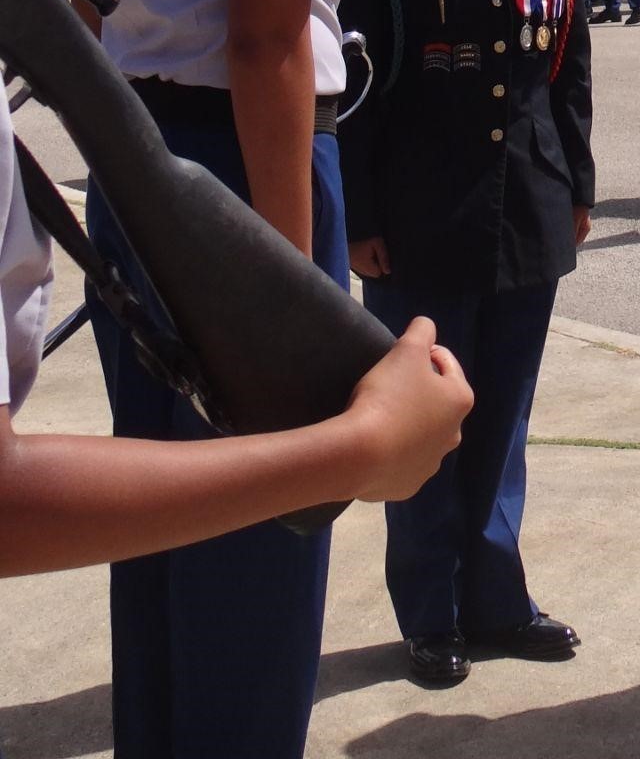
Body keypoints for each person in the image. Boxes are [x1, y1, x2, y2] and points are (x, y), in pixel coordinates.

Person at [69, 0, 370, 759]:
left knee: (162, 501)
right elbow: (263, 44)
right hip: (245, 166)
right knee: (260, 511)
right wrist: (288, 280)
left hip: (138, 155)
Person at [339, 0, 594, 686]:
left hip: (527, 204)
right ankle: (431, 611)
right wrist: (360, 215)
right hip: (421, 216)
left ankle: (499, 600)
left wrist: (577, 184)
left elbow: (567, 69)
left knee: (503, 419)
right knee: (425, 425)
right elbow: (357, 87)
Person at [0, 82, 473, 579]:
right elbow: (266, 42)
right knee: (248, 600)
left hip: (142, 139)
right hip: (254, 154)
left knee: (159, 587)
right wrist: (361, 444)